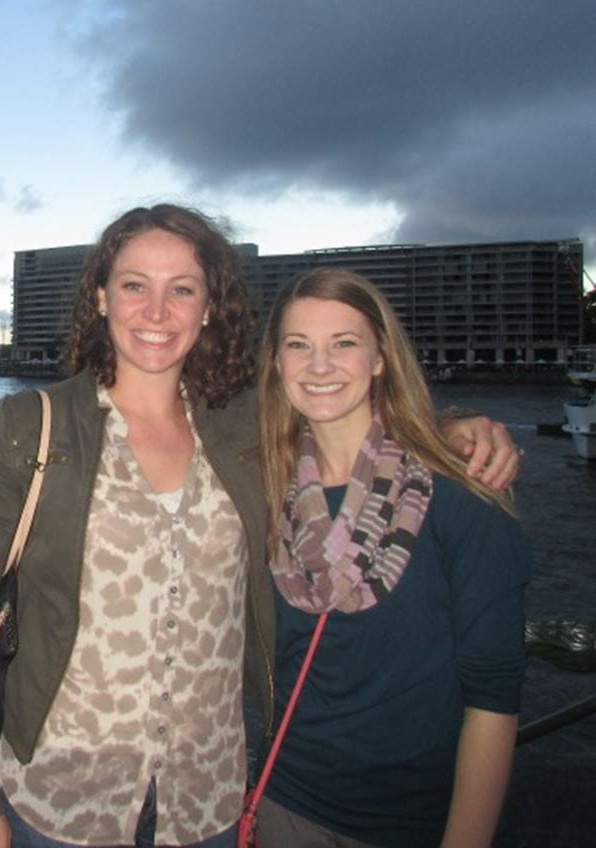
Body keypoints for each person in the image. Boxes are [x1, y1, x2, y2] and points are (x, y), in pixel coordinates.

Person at [0, 204, 520, 848]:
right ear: (100, 296)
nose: (157, 311)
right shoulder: (33, 426)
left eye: (182, 290)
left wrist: (454, 429)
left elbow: (343, 415)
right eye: (134, 285)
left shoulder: (243, 429)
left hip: (208, 805)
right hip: (58, 803)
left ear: (209, 308)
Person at [254, 267, 529, 847]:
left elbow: (494, 697)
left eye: (343, 344)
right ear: (276, 363)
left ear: (381, 358)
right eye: (298, 345)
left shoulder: (462, 495)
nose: (319, 366)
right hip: (282, 803)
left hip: (408, 822)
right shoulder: (264, 488)